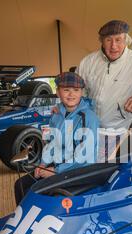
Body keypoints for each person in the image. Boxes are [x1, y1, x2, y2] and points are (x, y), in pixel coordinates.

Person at [14, 72, 100, 204]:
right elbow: (51, 143)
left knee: (42, 193)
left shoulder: (89, 117)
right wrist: (43, 164)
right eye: (66, 90)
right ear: (58, 92)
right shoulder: (56, 114)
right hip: (59, 164)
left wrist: (55, 171)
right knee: (20, 185)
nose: (71, 95)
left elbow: (85, 156)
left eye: (76, 90)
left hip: (79, 169)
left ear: (82, 92)